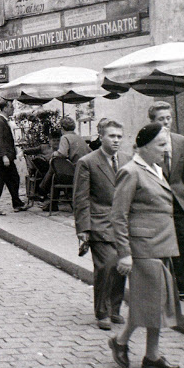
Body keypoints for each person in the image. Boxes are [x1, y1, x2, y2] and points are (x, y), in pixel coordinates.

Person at [108, 123, 182, 368]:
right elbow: (118, 216)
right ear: (144, 147)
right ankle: (124, 343)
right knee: (151, 303)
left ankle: (150, 356)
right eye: (161, 145)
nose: (166, 149)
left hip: (161, 246)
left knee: (155, 304)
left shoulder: (155, 169)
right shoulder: (131, 171)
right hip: (143, 249)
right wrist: (125, 254)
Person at [73, 120, 130, 330]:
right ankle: (102, 312)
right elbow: (81, 198)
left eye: (119, 136)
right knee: (106, 266)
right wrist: (83, 229)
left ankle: (115, 309)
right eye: (111, 136)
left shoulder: (126, 159)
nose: (116, 140)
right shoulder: (88, 162)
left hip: (122, 224)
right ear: (101, 137)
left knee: (121, 266)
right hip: (99, 222)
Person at [149, 101, 184, 298]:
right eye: (161, 119)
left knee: (183, 239)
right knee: (161, 243)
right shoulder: (147, 142)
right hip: (158, 201)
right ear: (153, 122)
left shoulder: (181, 141)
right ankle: (163, 284)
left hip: (179, 199)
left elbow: (183, 175)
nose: (166, 122)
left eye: (168, 118)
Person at [0, 100, 26, 215]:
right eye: (11, 107)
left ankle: (17, 203)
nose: (13, 109)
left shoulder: (3, 121)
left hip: (7, 158)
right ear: (4, 108)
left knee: (14, 179)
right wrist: (4, 156)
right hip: (3, 159)